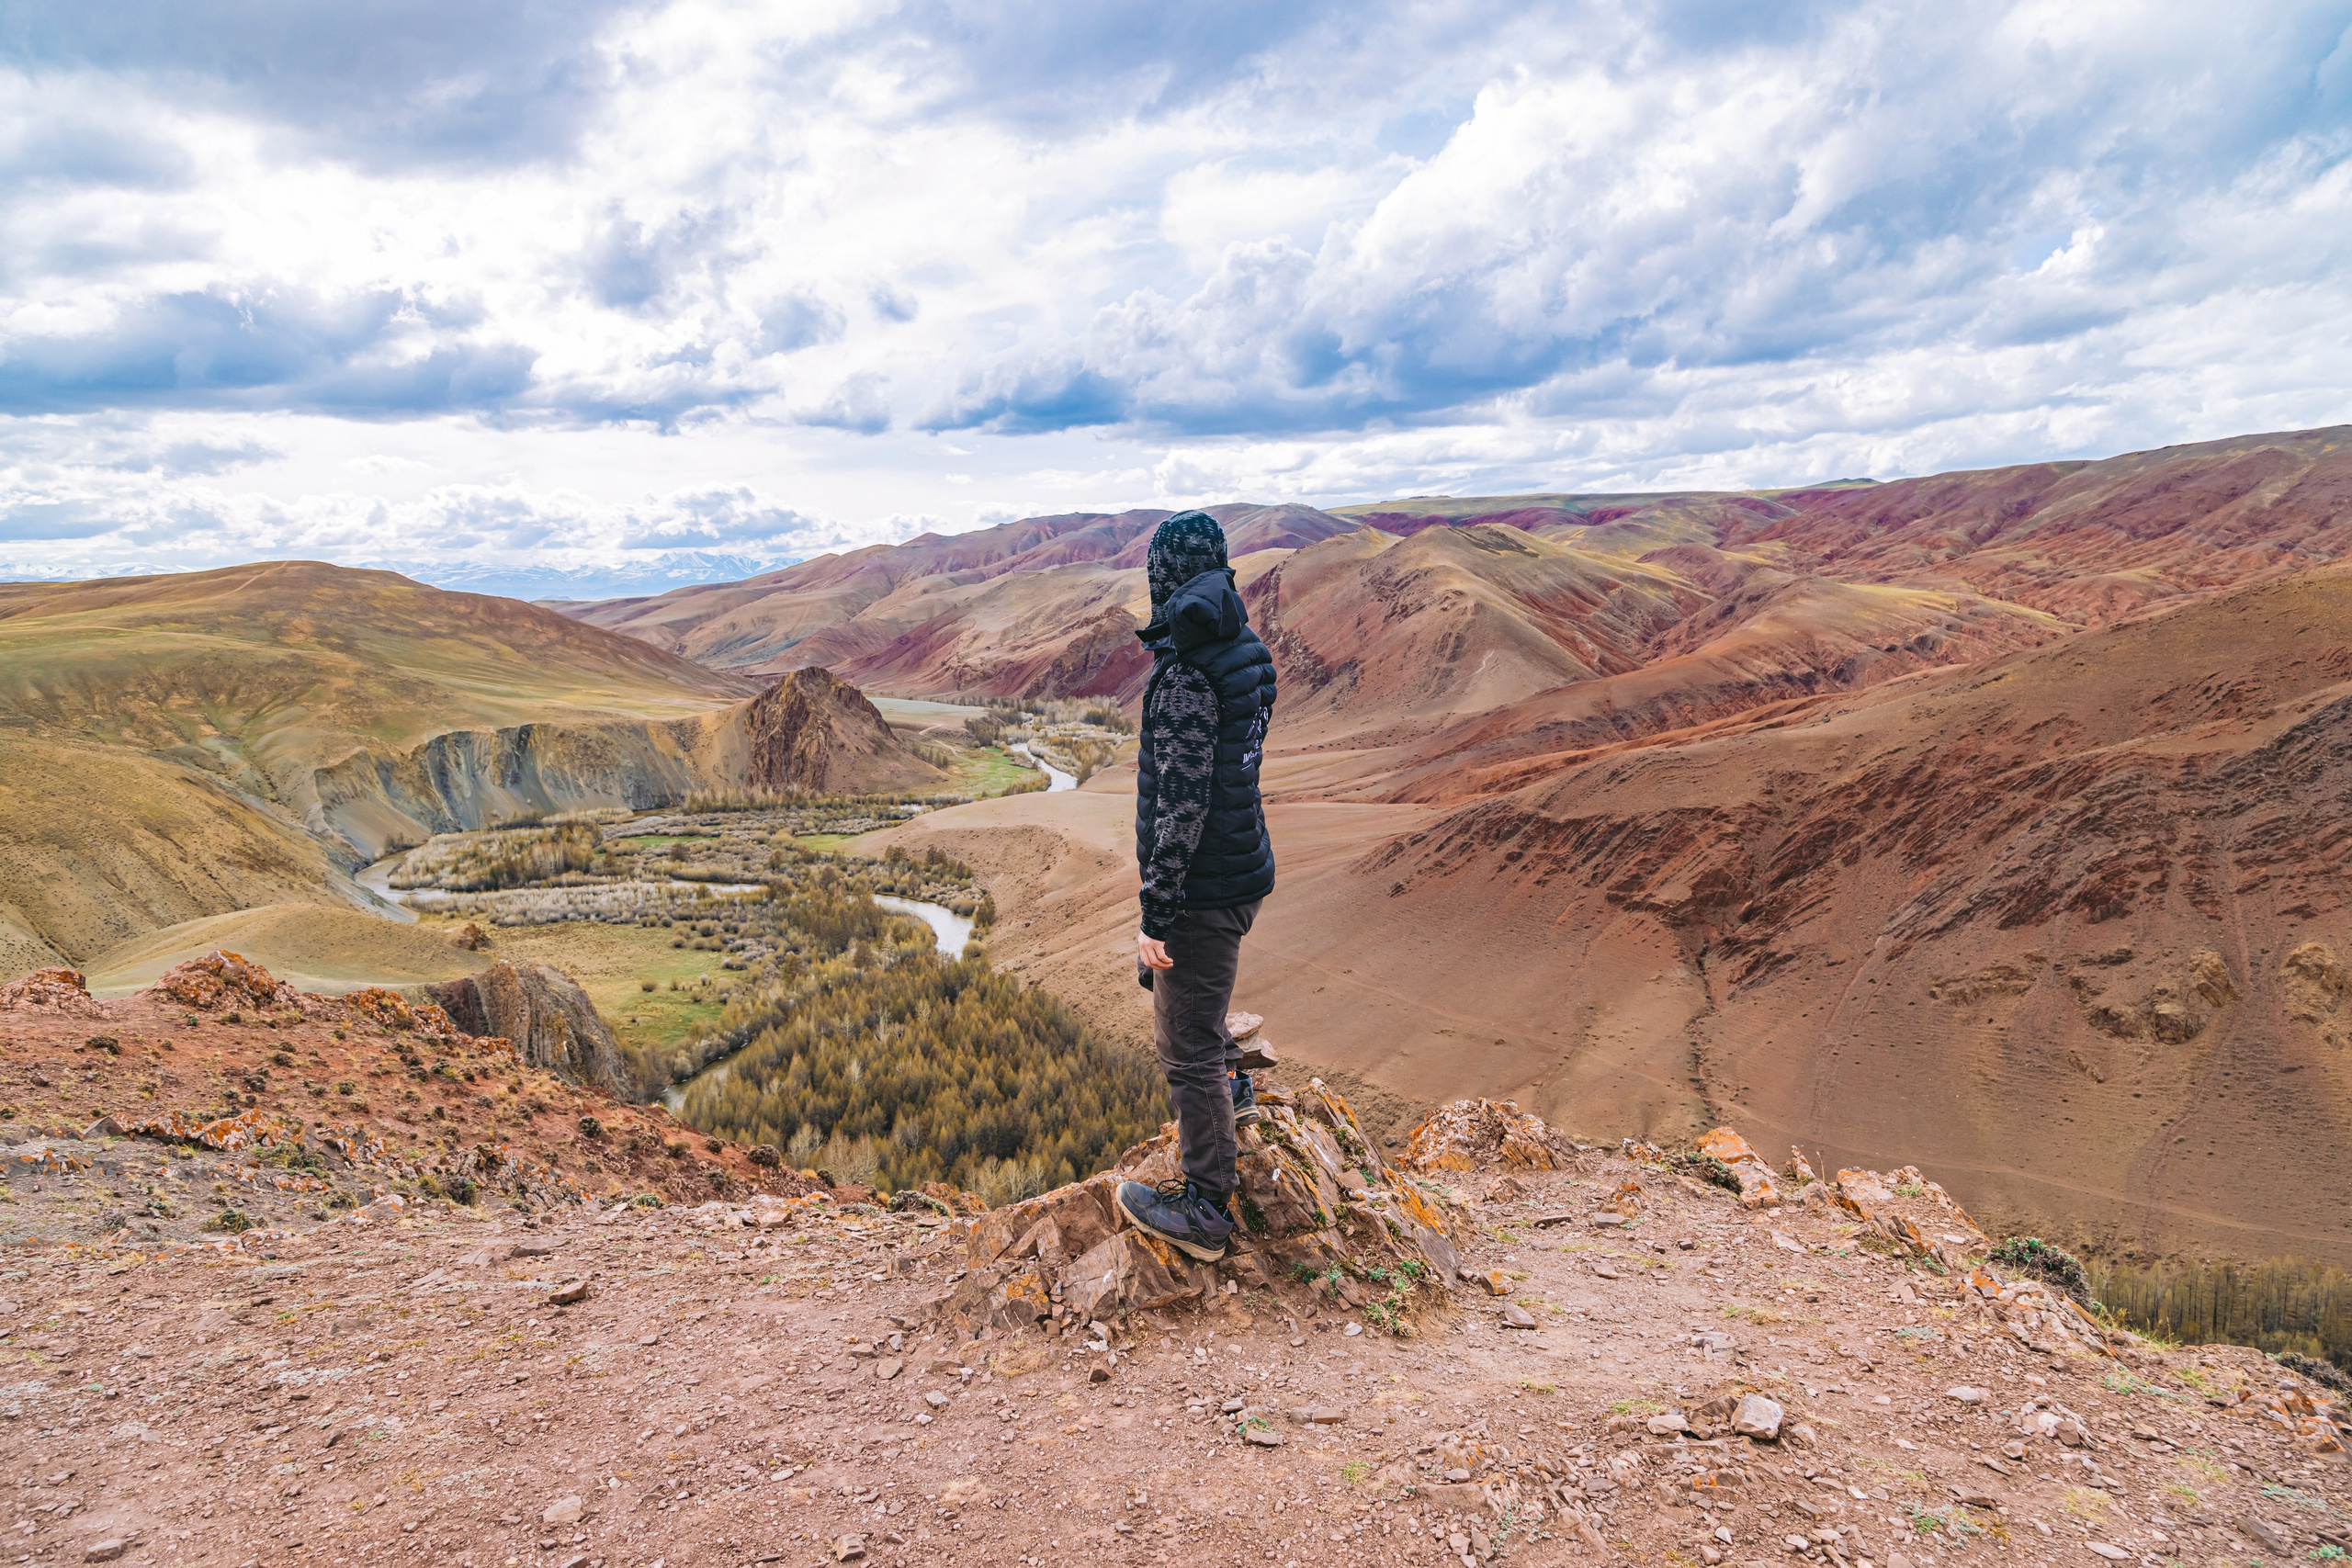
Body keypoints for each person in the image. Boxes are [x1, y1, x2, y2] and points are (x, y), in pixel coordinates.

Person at [1114, 511, 1277, 1262]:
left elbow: (1181, 805)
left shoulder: (1186, 674)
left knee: (1184, 1049)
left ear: (1165, 579)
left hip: (1202, 889)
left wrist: (1157, 914)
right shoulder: (1241, 649)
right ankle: (1232, 1095)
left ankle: (1207, 1208)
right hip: (1239, 870)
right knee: (1192, 1007)